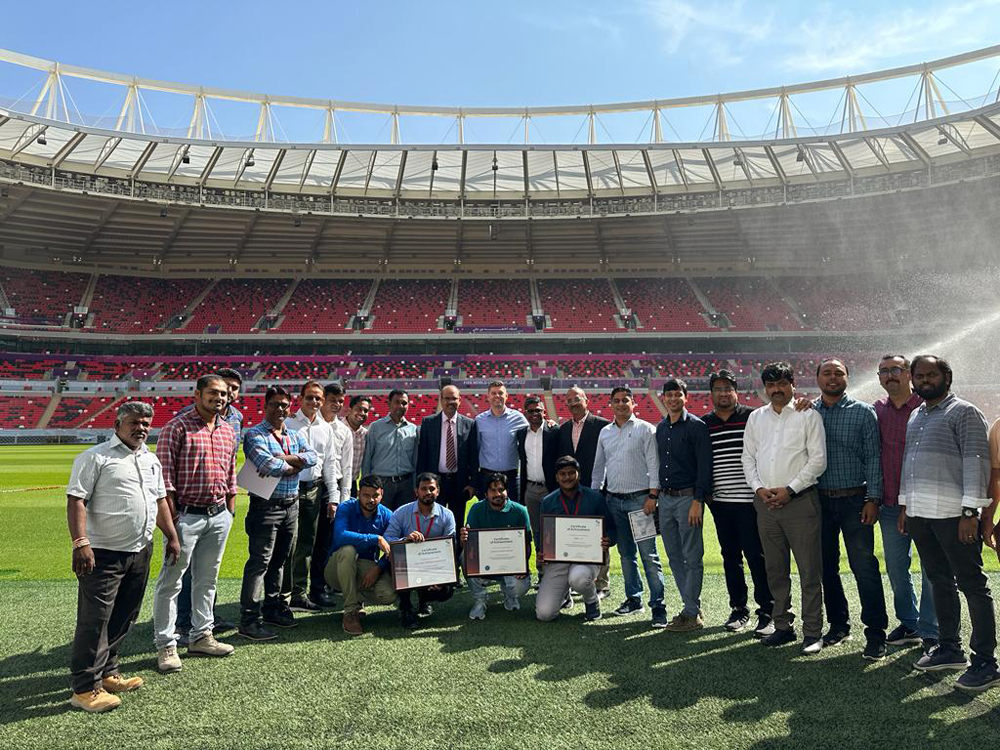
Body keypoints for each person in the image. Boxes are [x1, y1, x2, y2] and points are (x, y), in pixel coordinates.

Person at [66, 401, 180, 712]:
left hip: (140, 549)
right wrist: (80, 543)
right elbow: (76, 499)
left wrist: (171, 536)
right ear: (118, 424)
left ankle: (108, 672)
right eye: (134, 422)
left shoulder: (151, 459)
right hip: (102, 552)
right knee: (94, 620)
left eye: (146, 423)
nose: (141, 428)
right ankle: (84, 689)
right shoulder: (95, 457)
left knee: (125, 615)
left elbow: (159, 502)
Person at [900, 355, 998, 691]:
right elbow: (909, 465)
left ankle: (985, 661)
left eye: (931, 374)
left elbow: (976, 464)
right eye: (919, 375)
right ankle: (950, 648)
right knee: (939, 580)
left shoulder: (965, 412)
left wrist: (971, 512)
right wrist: (905, 505)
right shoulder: (916, 414)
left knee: (973, 584)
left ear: (947, 376)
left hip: (954, 516)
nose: (925, 380)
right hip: (920, 513)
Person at [153, 374, 238, 673]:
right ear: (198, 394)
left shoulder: (227, 430)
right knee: (171, 581)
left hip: (218, 515)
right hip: (186, 516)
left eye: (224, 394)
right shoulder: (177, 427)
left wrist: (230, 508)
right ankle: (166, 643)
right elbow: (164, 480)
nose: (219, 398)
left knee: (207, 580)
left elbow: (230, 473)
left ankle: (202, 635)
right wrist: (172, 523)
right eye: (213, 393)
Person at [741, 361, 827, 655]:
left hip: (800, 503)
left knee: (808, 571)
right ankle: (783, 626)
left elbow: (818, 460)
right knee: (775, 570)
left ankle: (813, 632)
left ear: (792, 384)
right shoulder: (756, 418)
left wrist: (790, 490)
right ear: (765, 388)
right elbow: (748, 459)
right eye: (771, 384)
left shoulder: (808, 414)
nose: (776, 389)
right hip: (765, 505)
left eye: (781, 383)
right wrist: (759, 489)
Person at [811, 358, 889, 660]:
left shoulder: (863, 412)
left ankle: (875, 632)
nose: (832, 378)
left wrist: (873, 499)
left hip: (855, 501)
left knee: (863, 565)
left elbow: (873, 458)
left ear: (847, 377)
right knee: (826, 567)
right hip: (818, 501)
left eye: (838, 373)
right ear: (817, 378)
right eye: (827, 373)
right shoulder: (807, 412)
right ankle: (839, 625)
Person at [238, 386, 317, 641]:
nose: (280, 409)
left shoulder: (294, 434)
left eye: (284, 404)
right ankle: (249, 618)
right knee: (259, 562)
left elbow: (313, 457)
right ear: (265, 406)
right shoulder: (254, 434)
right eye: (275, 404)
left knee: (281, 560)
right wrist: (294, 463)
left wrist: (285, 458)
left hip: (291, 504)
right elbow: (266, 464)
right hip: (266, 505)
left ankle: (273, 609)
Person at [873, 354, 938, 652]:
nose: (890, 376)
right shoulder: (876, 410)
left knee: (931, 570)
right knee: (898, 570)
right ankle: (910, 623)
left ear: (909, 374)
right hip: (889, 506)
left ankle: (931, 630)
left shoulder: (928, 407)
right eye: (884, 371)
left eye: (896, 370)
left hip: (925, 505)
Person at [703, 370, 774, 637]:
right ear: (711, 393)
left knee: (756, 556)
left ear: (736, 391)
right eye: (718, 389)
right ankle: (738, 608)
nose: (723, 393)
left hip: (750, 501)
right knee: (730, 557)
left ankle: (767, 610)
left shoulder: (751, 417)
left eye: (728, 389)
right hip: (721, 503)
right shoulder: (705, 423)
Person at [174, 367, 243, 643]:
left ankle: (207, 619)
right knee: (184, 570)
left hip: (219, 505)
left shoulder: (236, 419)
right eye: (220, 389)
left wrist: (230, 505)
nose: (226, 395)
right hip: (189, 507)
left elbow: (230, 463)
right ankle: (182, 621)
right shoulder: (183, 421)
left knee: (209, 569)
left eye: (232, 390)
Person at [590, 386, 666, 627]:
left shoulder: (646, 429)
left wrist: (653, 495)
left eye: (625, 400)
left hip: (640, 501)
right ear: (610, 404)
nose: (621, 404)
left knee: (648, 555)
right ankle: (634, 598)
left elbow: (654, 465)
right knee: (626, 555)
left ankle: (658, 605)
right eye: (616, 401)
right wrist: (594, 496)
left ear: (634, 404)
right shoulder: (605, 432)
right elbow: (598, 468)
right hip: (614, 501)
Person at [283, 381, 352, 613]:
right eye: (310, 397)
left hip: (314, 490)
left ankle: (299, 594)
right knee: (287, 544)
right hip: (289, 488)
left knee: (307, 544)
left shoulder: (325, 429)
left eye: (318, 399)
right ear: (300, 398)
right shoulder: (289, 423)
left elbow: (330, 465)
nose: (314, 402)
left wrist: (334, 497)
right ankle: (284, 594)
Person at [655, 378, 712, 633]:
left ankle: (690, 613)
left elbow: (704, 467)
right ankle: (691, 607)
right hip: (665, 499)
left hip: (688, 498)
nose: (673, 399)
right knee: (674, 556)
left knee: (692, 557)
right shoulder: (662, 428)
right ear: (663, 398)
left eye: (678, 394)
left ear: (685, 397)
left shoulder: (696, 426)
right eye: (669, 395)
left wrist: (698, 501)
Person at [536, 456, 616, 623]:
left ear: (578, 474)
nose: (567, 477)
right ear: (557, 477)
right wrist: (541, 552)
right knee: (544, 614)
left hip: (587, 559)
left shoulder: (595, 498)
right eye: (562, 474)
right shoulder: (548, 502)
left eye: (572, 473)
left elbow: (612, 527)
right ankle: (564, 594)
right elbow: (543, 535)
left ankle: (592, 600)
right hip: (559, 561)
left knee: (578, 577)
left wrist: (609, 540)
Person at [557, 386, 612, 597]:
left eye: (577, 398)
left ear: (586, 400)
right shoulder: (562, 429)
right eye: (569, 399)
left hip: (595, 490)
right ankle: (578, 580)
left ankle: (602, 583)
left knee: (601, 537)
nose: (573, 403)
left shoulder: (602, 426)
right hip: (571, 492)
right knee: (574, 535)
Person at [385, 472, 458, 629]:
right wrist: (405, 541)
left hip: (432, 566)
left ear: (438, 491)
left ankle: (424, 599)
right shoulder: (401, 512)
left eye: (432, 488)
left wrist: (440, 576)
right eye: (423, 489)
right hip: (407, 565)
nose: (428, 493)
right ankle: (406, 608)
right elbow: (388, 539)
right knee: (396, 560)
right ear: (416, 491)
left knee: (446, 591)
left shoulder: (447, 515)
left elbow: (449, 548)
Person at [326, 475, 397, 635]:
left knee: (389, 595)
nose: (371, 500)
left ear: (382, 494)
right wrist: (376, 539)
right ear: (358, 493)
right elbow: (340, 536)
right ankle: (351, 611)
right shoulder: (346, 508)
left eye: (375, 495)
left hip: (364, 565)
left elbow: (393, 547)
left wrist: (378, 568)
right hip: (336, 568)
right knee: (348, 550)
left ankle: (357, 599)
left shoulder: (387, 515)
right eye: (366, 495)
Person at [461, 473, 533, 620]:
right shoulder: (476, 509)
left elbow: (526, 544)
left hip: (510, 563)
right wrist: (464, 539)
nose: (497, 494)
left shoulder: (520, 511)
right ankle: (480, 599)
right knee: (464, 556)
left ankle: (509, 593)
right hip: (486, 563)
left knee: (520, 587)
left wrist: (523, 565)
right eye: (493, 490)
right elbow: (468, 545)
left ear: (507, 492)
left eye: (501, 489)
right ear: (486, 494)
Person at [417, 384, 479, 528]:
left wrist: (473, 484)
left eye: (454, 398)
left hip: (460, 483)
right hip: (434, 482)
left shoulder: (469, 424)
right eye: (447, 398)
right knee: (433, 522)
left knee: (457, 523)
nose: (450, 402)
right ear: (440, 400)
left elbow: (474, 457)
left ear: (459, 400)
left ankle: (456, 550)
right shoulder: (428, 423)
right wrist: (419, 483)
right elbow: (423, 456)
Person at [515, 395, 559, 579]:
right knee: (537, 531)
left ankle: (557, 570)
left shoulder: (553, 431)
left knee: (554, 530)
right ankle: (542, 572)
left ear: (544, 411)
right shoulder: (521, 433)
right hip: (530, 490)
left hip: (550, 489)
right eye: (531, 411)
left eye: (538, 410)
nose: (534, 414)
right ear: (526, 412)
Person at [361, 389, 419, 511]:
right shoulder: (376, 427)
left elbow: (415, 460)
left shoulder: (413, 429)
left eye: (404, 403)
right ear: (389, 404)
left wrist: (414, 485)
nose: (400, 406)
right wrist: (366, 485)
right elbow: (367, 458)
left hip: (406, 485)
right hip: (382, 484)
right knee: (381, 522)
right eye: (396, 402)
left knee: (404, 522)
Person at [474, 380, 528, 504]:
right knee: (487, 517)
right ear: (488, 397)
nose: (497, 396)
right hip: (486, 476)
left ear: (506, 396)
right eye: (493, 393)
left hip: (511, 477)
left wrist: (549, 423)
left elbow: (535, 429)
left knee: (512, 516)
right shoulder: (479, 420)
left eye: (500, 393)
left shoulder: (518, 418)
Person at [339, 394, 372, 497]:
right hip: (333, 483)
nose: (362, 413)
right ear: (350, 410)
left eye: (365, 411)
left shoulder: (365, 434)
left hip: (352, 484)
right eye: (358, 409)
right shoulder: (337, 428)